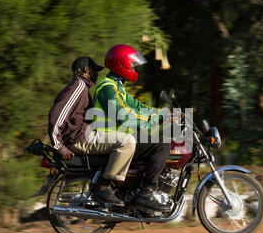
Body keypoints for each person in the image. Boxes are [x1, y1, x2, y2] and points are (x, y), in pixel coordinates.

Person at [91, 44, 171, 212]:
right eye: (132, 64)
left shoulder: (117, 86)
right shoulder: (108, 88)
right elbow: (125, 115)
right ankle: (146, 194)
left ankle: (132, 189)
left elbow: (136, 106)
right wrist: (155, 119)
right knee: (162, 145)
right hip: (108, 136)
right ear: (121, 64)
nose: (134, 68)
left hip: (117, 133)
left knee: (149, 140)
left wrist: (160, 113)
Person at [48, 57, 136, 206]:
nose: (97, 74)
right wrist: (59, 146)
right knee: (127, 141)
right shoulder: (77, 87)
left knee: (126, 138)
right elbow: (56, 116)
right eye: (95, 70)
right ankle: (103, 188)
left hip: (83, 135)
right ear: (86, 70)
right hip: (78, 139)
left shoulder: (82, 88)